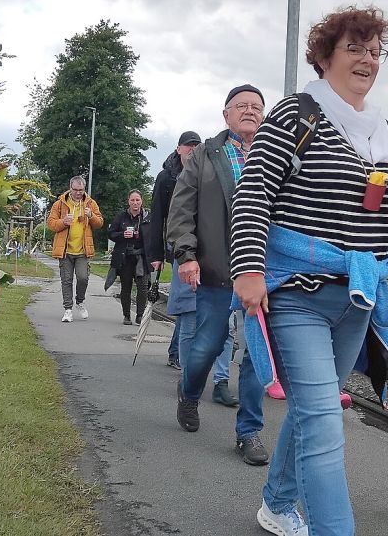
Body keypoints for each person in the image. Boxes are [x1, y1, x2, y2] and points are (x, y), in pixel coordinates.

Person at [231, 6, 388, 536]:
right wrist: (248, 270)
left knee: (311, 412)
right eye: (355, 48)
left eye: (375, 51)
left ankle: (277, 504)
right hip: (298, 293)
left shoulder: (386, 135)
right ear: (324, 57)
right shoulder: (294, 116)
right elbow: (254, 194)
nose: (368, 59)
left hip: (358, 299)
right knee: (325, 423)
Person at [167, 84, 269, 465]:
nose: (249, 111)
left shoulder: (276, 154)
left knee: (258, 351)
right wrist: (187, 255)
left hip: (262, 271)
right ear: (225, 115)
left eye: (256, 106)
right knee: (208, 345)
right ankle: (189, 392)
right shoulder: (205, 156)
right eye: (240, 106)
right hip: (216, 267)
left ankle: (249, 432)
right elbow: (181, 209)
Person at [147, 131, 202, 369]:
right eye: (188, 146)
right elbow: (157, 215)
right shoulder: (166, 177)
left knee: (193, 299)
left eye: (195, 146)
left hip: (198, 241)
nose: (191, 150)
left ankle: (179, 351)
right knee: (185, 298)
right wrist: (156, 254)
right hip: (176, 240)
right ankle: (177, 352)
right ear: (179, 149)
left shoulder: (202, 173)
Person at [47, 175, 104, 323]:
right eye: (75, 190)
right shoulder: (60, 204)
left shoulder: (90, 203)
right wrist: (63, 222)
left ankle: (80, 301)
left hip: (83, 250)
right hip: (65, 250)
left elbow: (99, 223)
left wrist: (91, 216)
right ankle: (68, 309)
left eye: (81, 190)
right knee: (66, 280)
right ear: (70, 188)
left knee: (83, 278)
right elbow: (51, 224)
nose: (78, 192)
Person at [108, 189, 150, 325]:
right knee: (126, 287)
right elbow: (111, 233)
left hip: (141, 257)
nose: (135, 203)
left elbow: (154, 236)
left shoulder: (148, 217)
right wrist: (122, 235)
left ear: (141, 201)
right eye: (132, 200)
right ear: (128, 202)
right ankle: (126, 315)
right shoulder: (121, 217)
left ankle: (139, 315)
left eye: (137, 200)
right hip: (125, 257)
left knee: (143, 287)